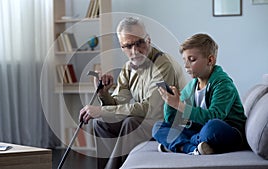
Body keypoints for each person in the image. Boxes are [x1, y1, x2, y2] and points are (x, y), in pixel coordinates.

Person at [79, 16, 186, 169]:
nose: (135, 51)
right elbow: (119, 102)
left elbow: (152, 110)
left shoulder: (163, 65)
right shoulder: (128, 68)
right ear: (122, 47)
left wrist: (102, 110)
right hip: (147, 122)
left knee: (132, 123)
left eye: (139, 43)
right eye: (128, 46)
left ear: (148, 40)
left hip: (170, 124)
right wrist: (104, 94)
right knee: (102, 123)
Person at [152, 33, 248, 155]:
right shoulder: (192, 86)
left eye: (192, 60)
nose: (186, 65)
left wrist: (179, 105)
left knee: (212, 127)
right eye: (184, 60)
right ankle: (192, 149)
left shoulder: (223, 84)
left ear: (210, 60)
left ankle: (179, 145)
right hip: (200, 130)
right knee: (158, 127)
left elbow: (214, 116)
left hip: (228, 132)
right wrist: (170, 103)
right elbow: (171, 120)